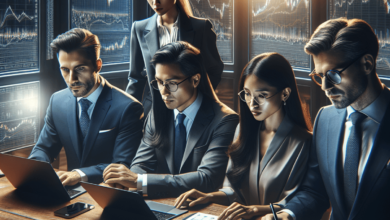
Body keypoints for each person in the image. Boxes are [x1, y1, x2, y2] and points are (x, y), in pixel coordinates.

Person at [263, 18, 390, 220]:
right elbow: (315, 190)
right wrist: (287, 215)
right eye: (319, 75)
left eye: (333, 74)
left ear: (367, 64)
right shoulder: (325, 118)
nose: (324, 87)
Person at [175, 52, 313, 220]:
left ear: (284, 94)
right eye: (247, 94)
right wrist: (210, 196)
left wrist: (255, 210)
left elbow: (298, 202)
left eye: (262, 95)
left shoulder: (304, 142)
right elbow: (234, 190)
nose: (252, 103)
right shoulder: (243, 130)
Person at [103, 41, 238, 198]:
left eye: (172, 83)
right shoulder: (157, 113)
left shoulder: (225, 121)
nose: (164, 92)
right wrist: (126, 181)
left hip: (200, 207)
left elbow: (207, 178)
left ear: (195, 80)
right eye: (159, 82)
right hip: (162, 202)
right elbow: (142, 164)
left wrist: (139, 181)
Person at [29, 28, 144, 186]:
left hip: (107, 192)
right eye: (65, 70)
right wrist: (38, 169)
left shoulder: (128, 108)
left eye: (80, 69)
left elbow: (121, 166)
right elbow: (43, 149)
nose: (72, 79)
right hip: (69, 191)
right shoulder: (57, 101)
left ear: (98, 65)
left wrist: (79, 174)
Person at [126, 0, 224, 116]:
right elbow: (136, 78)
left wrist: (195, 99)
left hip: (192, 108)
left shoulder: (201, 28)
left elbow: (214, 70)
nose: (155, 2)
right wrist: (127, 111)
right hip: (154, 110)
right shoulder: (139, 28)